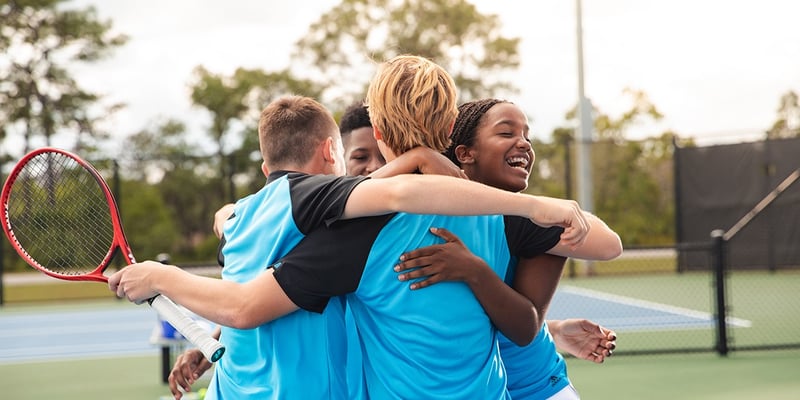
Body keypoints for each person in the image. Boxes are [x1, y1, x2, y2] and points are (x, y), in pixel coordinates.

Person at [110, 79, 595, 400]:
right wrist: (536, 205)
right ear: (331, 154)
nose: (364, 171)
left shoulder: (244, 220)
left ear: (265, 171)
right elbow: (249, 304)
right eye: (349, 157)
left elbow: (263, 294)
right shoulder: (327, 212)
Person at [395, 98, 620, 399]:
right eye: (507, 133)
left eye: (527, 135)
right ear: (464, 153)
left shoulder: (529, 221)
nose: (524, 144)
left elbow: (608, 245)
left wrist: (548, 208)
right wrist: (554, 331)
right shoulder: (416, 218)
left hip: (535, 389)